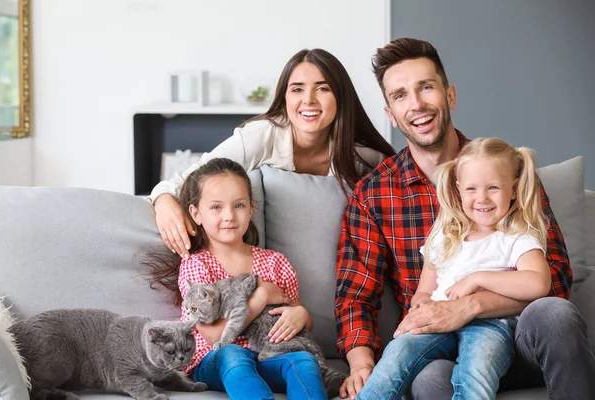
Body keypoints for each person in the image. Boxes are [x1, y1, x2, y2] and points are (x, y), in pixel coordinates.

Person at [335, 37, 595, 400]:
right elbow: (356, 298)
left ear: (450, 95)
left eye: (426, 87)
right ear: (390, 114)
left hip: (514, 337)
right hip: (438, 346)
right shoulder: (374, 195)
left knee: (556, 315)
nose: (417, 104)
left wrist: (472, 303)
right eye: (401, 95)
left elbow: (554, 281)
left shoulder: (507, 175)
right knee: (430, 381)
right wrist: (362, 367)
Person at [148, 48, 395, 258]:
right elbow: (187, 180)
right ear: (285, 96)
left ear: (341, 97)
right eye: (297, 89)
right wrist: (163, 200)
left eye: (323, 89)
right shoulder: (260, 136)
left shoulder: (361, 155)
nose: (308, 100)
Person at [357, 137, 552, 399]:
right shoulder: (445, 235)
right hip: (439, 320)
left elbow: (538, 284)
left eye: (493, 187)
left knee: (476, 369)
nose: (482, 198)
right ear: (458, 189)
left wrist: (477, 278)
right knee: (398, 353)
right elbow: (424, 290)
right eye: (472, 189)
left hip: (491, 325)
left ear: (514, 189)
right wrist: (422, 303)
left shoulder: (517, 236)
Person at [148, 157, 328, 399]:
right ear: (196, 213)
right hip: (216, 359)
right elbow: (213, 337)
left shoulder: (276, 262)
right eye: (216, 207)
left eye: (239, 206)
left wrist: (303, 316)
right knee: (233, 354)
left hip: (268, 355)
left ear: (251, 208)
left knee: (304, 361)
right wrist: (261, 296)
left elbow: (296, 315)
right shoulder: (197, 265)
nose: (229, 216)